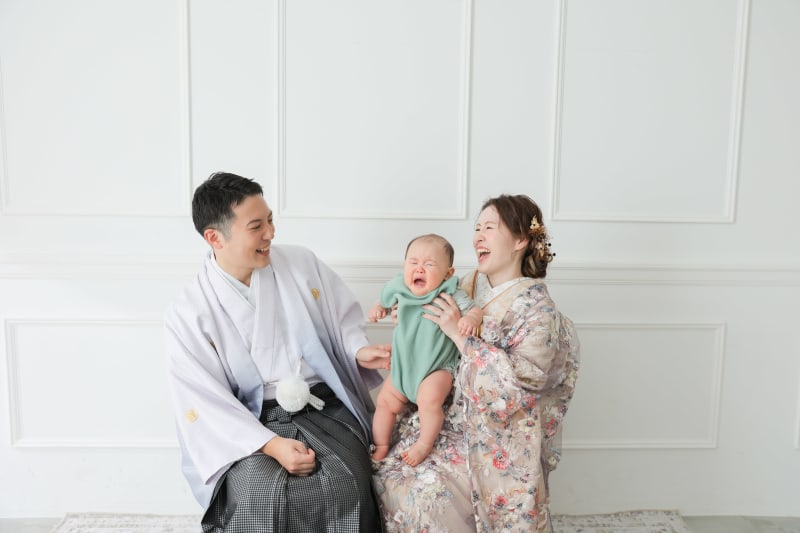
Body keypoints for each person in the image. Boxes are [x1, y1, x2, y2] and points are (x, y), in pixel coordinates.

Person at [164, 172, 391, 532]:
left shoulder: (301, 264)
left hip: (322, 405)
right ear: (214, 237)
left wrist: (358, 350)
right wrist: (270, 445)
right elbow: (203, 400)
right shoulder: (190, 310)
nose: (270, 233)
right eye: (257, 227)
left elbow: (342, 320)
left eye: (270, 220)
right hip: (248, 424)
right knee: (256, 493)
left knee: (347, 477)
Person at [373, 194, 580, 533]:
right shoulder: (465, 285)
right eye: (477, 228)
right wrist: (407, 322)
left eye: (489, 228)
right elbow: (424, 330)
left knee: (419, 496)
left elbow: (521, 391)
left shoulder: (538, 310)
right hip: (444, 417)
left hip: (494, 436)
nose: (478, 237)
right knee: (383, 476)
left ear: (520, 240)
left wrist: (461, 337)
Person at [368, 234, 483, 465]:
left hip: (436, 367)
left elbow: (475, 310)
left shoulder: (449, 292)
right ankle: (381, 445)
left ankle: (423, 444)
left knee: (429, 401)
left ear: (448, 273)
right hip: (403, 367)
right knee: (385, 402)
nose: (419, 268)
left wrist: (470, 319)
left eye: (429, 264)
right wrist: (379, 308)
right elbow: (384, 301)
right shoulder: (399, 288)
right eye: (413, 262)